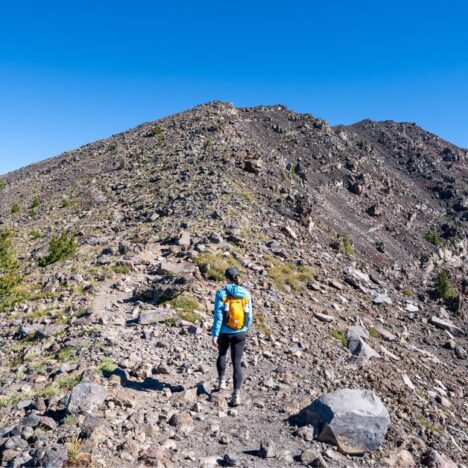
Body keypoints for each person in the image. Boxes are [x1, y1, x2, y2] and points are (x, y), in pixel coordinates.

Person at [211, 267, 252, 406]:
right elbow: (249, 315)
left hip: (224, 332)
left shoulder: (221, 293)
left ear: (226, 278)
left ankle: (221, 382)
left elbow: (218, 316)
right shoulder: (246, 293)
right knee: (237, 363)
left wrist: (215, 334)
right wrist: (244, 328)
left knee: (222, 354)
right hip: (240, 333)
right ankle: (236, 396)